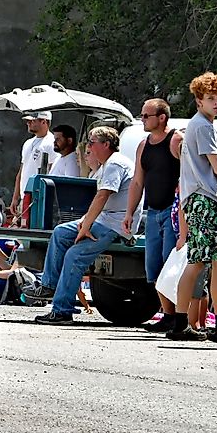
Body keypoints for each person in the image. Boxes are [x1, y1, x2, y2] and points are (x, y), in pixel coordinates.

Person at [26, 126, 138, 324]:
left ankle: (62, 311)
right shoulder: (105, 166)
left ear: (106, 145)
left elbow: (104, 195)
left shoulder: (115, 164)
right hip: (104, 219)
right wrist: (85, 221)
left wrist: (86, 226)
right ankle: (49, 285)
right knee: (60, 232)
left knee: (74, 256)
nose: (89, 147)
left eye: (92, 143)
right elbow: (99, 199)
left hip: (115, 224)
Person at [168, 72, 217, 342]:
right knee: (212, 264)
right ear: (198, 100)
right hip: (207, 199)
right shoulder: (203, 127)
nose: (216, 103)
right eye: (210, 98)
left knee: (201, 263)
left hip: (197, 199)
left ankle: (184, 322)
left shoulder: (199, 125)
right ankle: (216, 324)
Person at [123, 98, 184, 332]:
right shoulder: (143, 145)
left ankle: (176, 316)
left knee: (172, 265)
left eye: (146, 116)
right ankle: (167, 313)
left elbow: (188, 175)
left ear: (162, 118)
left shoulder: (176, 140)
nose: (142, 120)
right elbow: (138, 181)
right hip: (152, 212)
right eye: (142, 115)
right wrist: (130, 212)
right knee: (153, 267)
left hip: (172, 212)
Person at [10, 111, 57, 225]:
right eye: (28, 121)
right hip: (24, 196)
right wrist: (15, 197)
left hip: (37, 197)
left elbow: (52, 171)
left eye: (32, 121)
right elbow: (21, 170)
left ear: (44, 121)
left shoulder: (51, 142)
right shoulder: (27, 143)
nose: (28, 123)